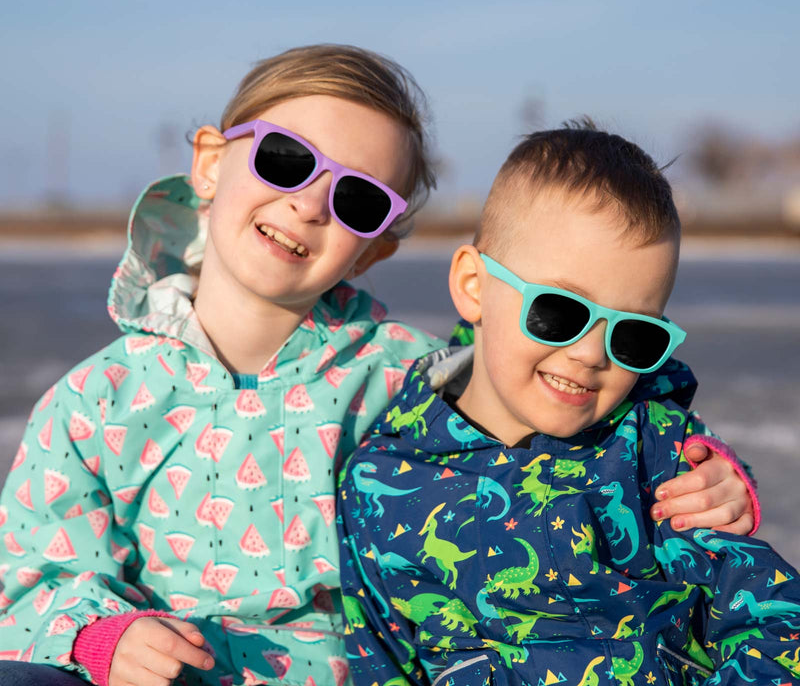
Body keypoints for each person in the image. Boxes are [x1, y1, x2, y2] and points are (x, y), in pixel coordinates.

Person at [0, 46, 751, 686]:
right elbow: (28, 575)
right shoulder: (96, 403)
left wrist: (693, 464)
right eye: (286, 160)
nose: (309, 205)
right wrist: (102, 638)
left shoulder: (404, 376)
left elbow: (555, 380)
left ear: (376, 246)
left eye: (356, 200)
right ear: (209, 162)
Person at [337, 124, 800, 686]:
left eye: (631, 337)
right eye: (558, 312)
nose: (588, 355)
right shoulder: (379, 483)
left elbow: (777, 622)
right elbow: (378, 659)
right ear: (474, 286)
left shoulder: (658, 457)